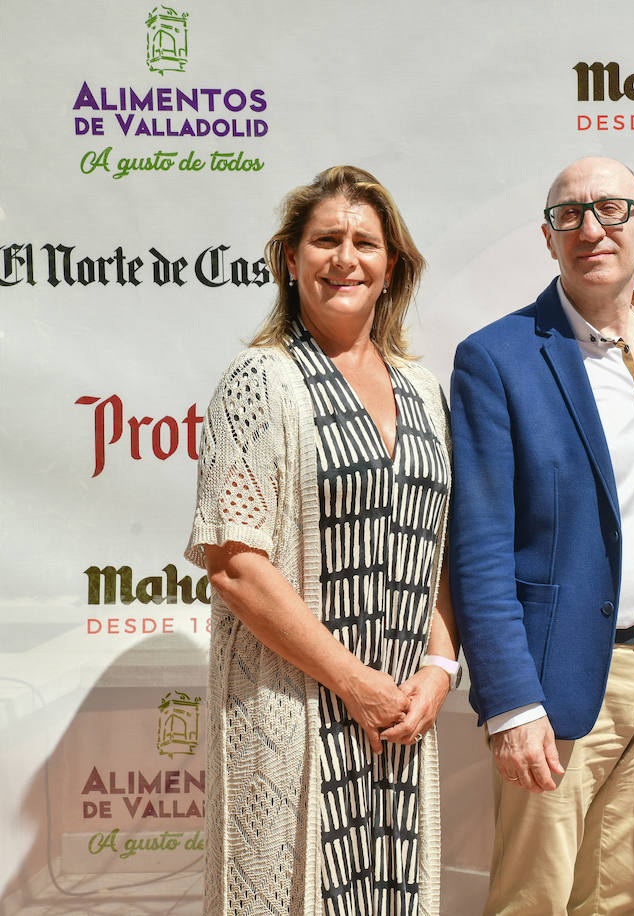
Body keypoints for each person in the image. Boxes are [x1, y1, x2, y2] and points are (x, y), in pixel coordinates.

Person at [448, 156, 634, 915]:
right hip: (560, 679)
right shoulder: (496, 359)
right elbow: (478, 547)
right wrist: (509, 703)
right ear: (548, 238)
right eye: (569, 215)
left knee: (620, 899)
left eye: (610, 209)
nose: (590, 229)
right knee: (532, 902)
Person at [186, 165, 458, 915]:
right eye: (325, 240)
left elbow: (431, 551)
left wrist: (435, 670)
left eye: (365, 242)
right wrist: (354, 682)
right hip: (294, 711)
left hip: (397, 722)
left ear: (391, 265)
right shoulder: (259, 380)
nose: (346, 259)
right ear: (289, 259)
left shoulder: (424, 389)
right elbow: (236, 567)